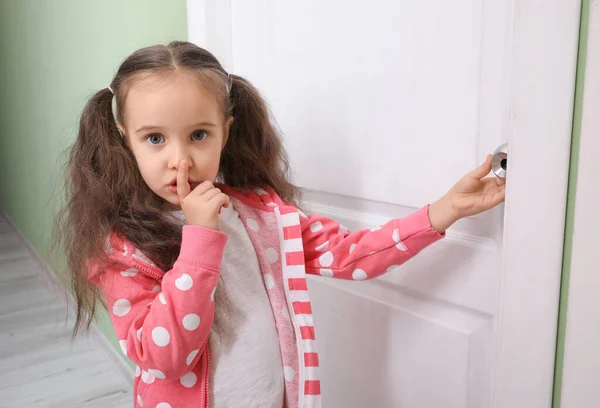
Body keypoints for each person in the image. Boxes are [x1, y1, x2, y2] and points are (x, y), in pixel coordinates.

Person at [51, 41, 505, 408]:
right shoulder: (122, 247)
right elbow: (163, 358)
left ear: (225, 132)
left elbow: (350, 254)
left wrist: (445, 211)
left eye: (199, 134)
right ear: (124, 141)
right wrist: (200, 240)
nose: (181, 159)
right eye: (154, 138)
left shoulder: (261, 215)